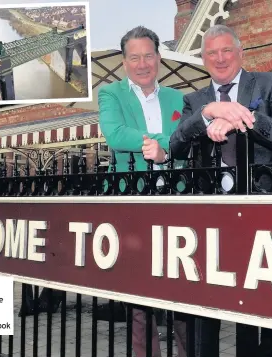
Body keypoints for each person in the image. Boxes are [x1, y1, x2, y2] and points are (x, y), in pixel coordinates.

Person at [169, 24, 272, 356]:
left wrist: (247, 118)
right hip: (213, 222)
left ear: (241, 52)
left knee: (270, 304)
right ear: (203, 59)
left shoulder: (270, 84)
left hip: (263, 215)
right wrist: (209, 113)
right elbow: (175, 147)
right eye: (211, 52)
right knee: (210, 305)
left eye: (226, 50)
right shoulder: (194, 100)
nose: (219, 58)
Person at [98, 25, 187, 356]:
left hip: (175, 201)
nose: (142, 63)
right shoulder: (110, 94)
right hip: (131, 201)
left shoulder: (179, 99)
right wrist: (167, 143)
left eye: (148, 55)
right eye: (134, 57)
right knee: (139, 295)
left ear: (159, 58)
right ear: (124, 62)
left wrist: (167, 149)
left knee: (182, 288)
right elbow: (116, 135)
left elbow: (187, 142)